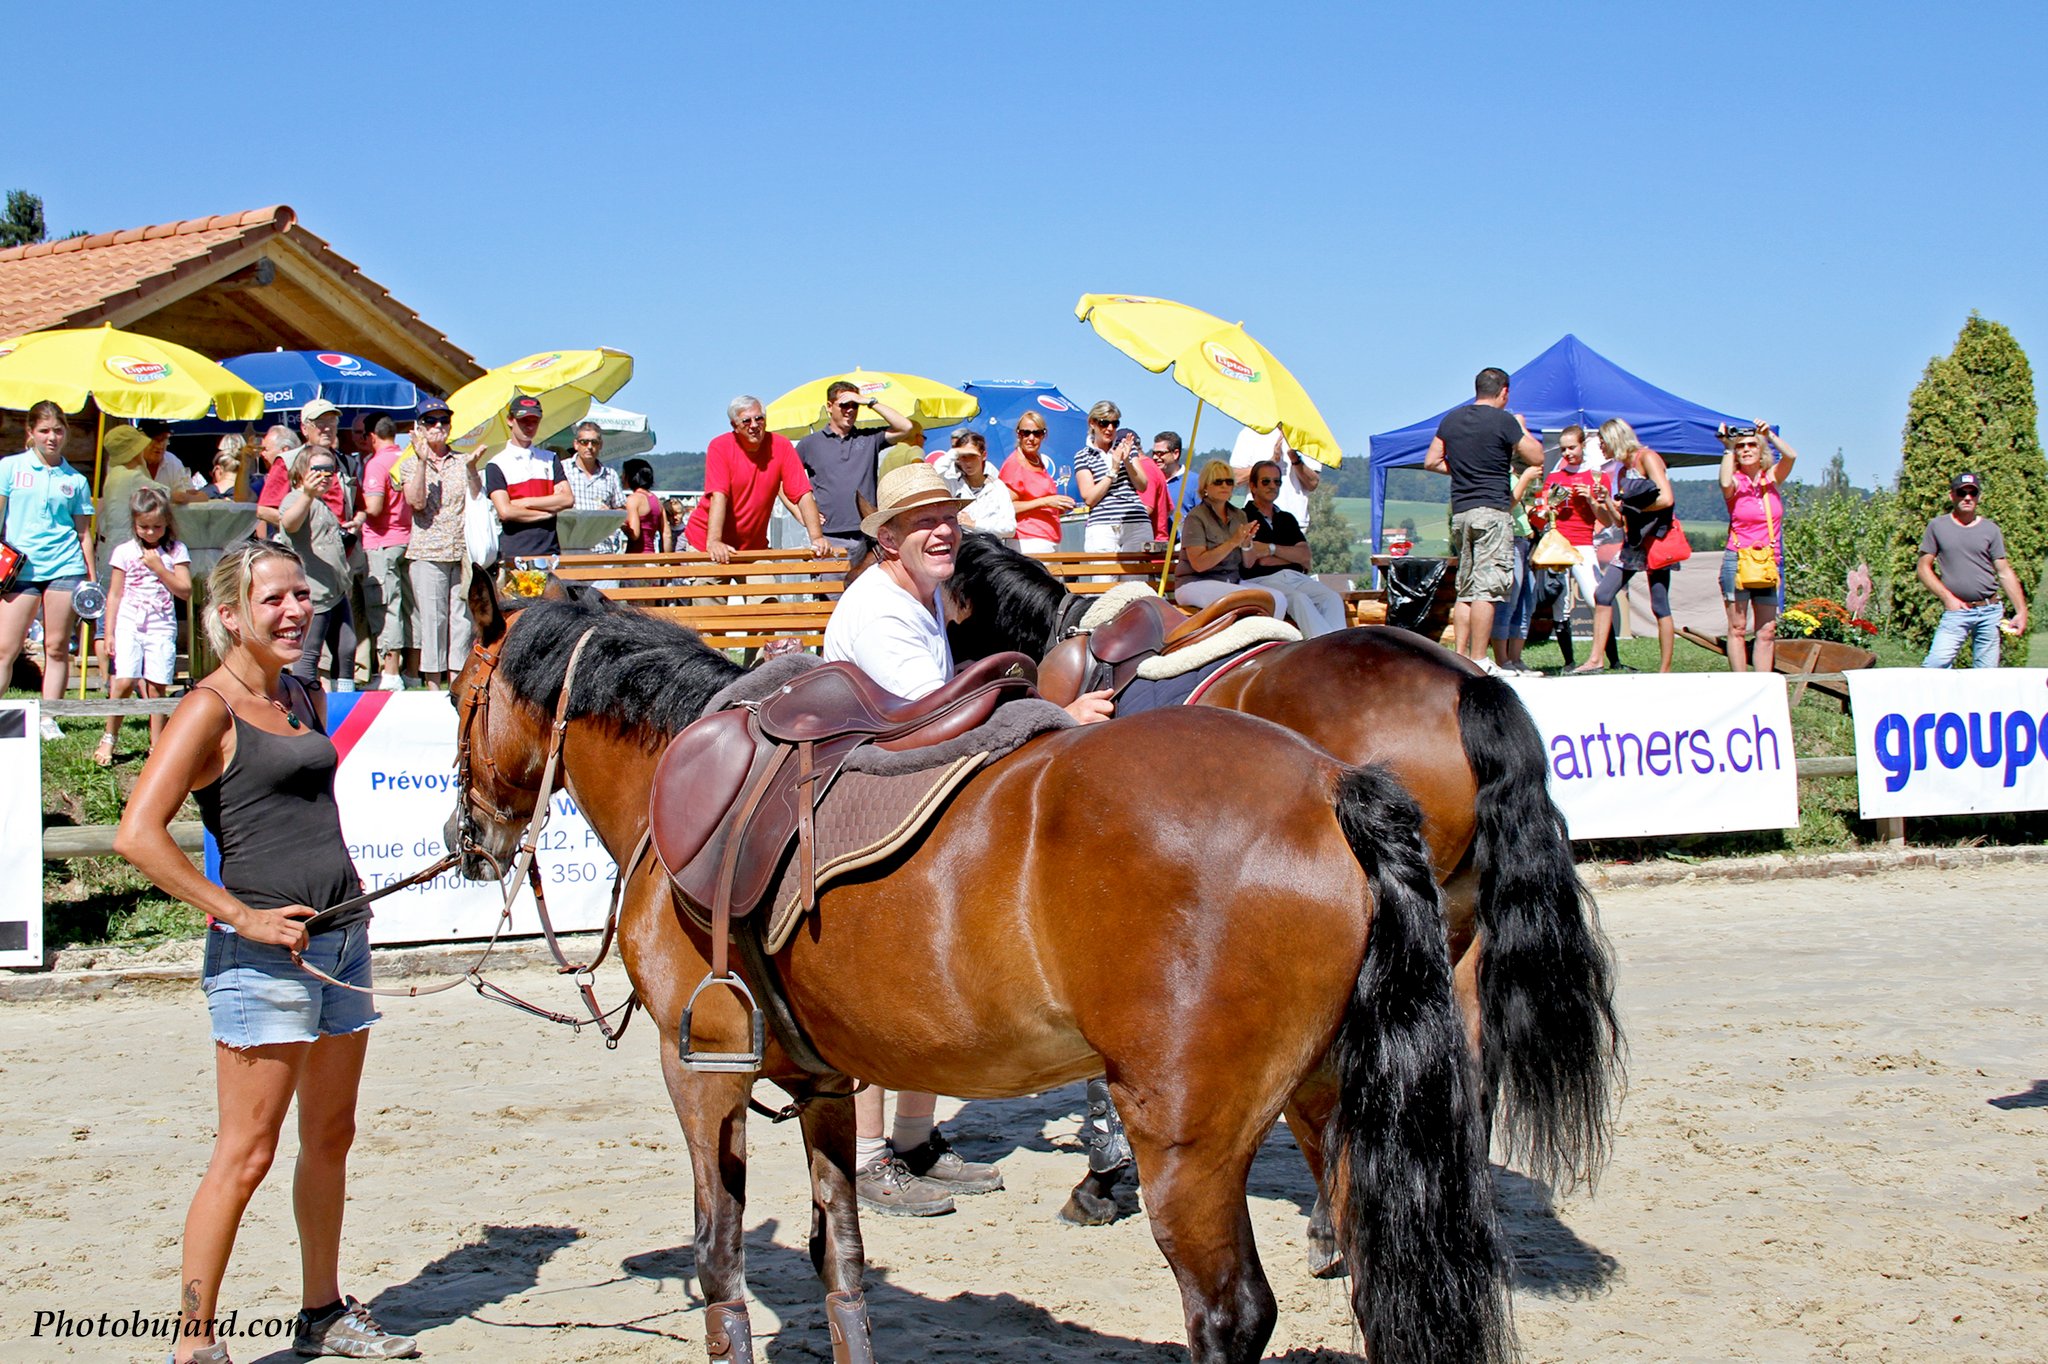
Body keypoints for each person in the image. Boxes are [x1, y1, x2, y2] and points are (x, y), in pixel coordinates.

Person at [113, 542, 419, 1364]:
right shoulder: (208, 708)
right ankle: (194, 1344)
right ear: (229, 615)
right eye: (274, 599)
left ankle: (322, 1312)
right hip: (263, 963)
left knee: (331, 1136)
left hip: (342, 943)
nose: (294, 611)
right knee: (245, 1154)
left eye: (301, 596)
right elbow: (138, 835)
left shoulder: (300, 693)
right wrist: (240, 918)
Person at [824, 464, 1112, 1217]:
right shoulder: (880, 611)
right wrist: (1055, 716)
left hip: (907, 782)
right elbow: (936, 718)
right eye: (923, 520)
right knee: (881, 975)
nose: (943, 529)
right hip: (871, 801)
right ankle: (865, 1157)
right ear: (887, 538)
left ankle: (915, 1140)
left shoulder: (920, 597)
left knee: (921, 976)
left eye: (948, 516)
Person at [1421, 367, 1544, 669]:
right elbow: (1537, 457)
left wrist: (1465, 469)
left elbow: (1431, 461)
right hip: (1492, 512)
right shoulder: (1504, 421)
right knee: (1486, 590)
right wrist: (1520, 428)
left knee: (1466, 588)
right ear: (1504, 391)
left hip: (1462, 512)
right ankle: (1479, 659)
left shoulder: (1451, 419)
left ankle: (1461, 656)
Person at [0, 400, 96, 740]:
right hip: (19, 570)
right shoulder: (10, 468)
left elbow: (84, 533)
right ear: (31, 432)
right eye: (44, 431)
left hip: (65, 566)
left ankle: (48, 717)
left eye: (57, 430)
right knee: (5, 647)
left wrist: (91, 579)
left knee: (56, 647)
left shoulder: (76, 480)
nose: (51, 437)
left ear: (66, 433)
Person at [94, 486, 191, 765]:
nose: (150, 532)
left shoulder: (176, 551)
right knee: (124, 680)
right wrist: (109, 632)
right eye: (143, 527)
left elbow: (185, 590)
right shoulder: (124, 551)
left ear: (167, 522)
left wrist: (160, 568)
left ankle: (157, 744)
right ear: (134, 523)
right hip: (130, 621)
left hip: (161, 624)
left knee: (157, 684)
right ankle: (109, 736)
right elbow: (114, 594)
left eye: (157, 527)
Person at [1575, 418, 1677, 674]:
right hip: (1633, 541)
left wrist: (1631, 507)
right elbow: (1619, 521)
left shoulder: (1648, 458)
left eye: (1602, 443)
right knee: (1603, 594)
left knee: (1660, 604)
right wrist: (1607, 502)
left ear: (1614, 439)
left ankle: (1665, 670)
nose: (1601, 448)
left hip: (1657, 538)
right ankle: (1596, 659)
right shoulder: (1622, 472)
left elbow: (1666, 498)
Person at [796, 380, 922, 570]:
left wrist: (869, 401)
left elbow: (905, 427)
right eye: (844, 405)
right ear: (829, 407)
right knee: (830, 589)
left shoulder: (869, 438)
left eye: (855, 405)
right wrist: (801, 514)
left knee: (869, 588)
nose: (850, 410)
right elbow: (784, 482)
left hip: (868, 535)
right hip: (828, 537)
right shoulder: (810, 444)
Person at [684, 395, 828, 560]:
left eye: (759, 418)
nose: (754, 425)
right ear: (734, 426)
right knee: (707, 577)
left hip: (754, 547)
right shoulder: (720, 446)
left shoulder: (781, 446)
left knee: (771, 578)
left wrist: (817, 538)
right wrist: (715, 541)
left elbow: (803, 493)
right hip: (706, 542)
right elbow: (719, 496)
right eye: (746, 421)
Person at [1918, 471, 2029, 668]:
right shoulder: (1937, 526)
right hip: (1957, 611)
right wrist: (1947, 598)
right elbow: (1923, 568)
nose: (1967, 497)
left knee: (1985, 676)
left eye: (1972, 493)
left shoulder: (1991, 529)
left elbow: (2004, 571)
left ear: (1978, 497)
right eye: (1962, 492)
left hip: (1990, 611)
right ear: (1952, 495)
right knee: (1935, 665)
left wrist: (2021, 611)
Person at [401, 400, 476, 689]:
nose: (438, 426)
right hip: (428, 551)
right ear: (419, 428)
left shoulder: (462, 461)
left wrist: (473, 470)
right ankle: (433, 685)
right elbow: (416, 502)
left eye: (443, 420)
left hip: (461, 551)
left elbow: (477, 498)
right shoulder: (409, 465)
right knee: (433, 622)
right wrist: (422, 461)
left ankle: (457, 685)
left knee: (462, 621)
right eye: (431, 421)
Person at [1718, 422, 1798, 674]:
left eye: (1752, 444)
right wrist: (1728, 447)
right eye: (1741, 446)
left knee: (1767, 630)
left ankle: (1763, 683)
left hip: (1767, 561)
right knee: (1738, 627)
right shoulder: (1736, 482)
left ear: (1761, 450)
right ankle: (1741, 683)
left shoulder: (1771, 478)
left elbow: (1791, 456)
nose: (1746, 449)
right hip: (1738, 559)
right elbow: (1724, 481)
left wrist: (1769, 435)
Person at [277, 447, 356, 691]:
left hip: (335, 591)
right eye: (317, 470)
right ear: (301, 472)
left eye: (329, 470)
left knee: (346, 647)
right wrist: (307, 495)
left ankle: (344, 701)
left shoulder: (321, 502)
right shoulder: (296, 498)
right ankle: (306, 702)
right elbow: (289, 523)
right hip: (313, 594)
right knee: (309, 653)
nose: (324, 476)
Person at [1241, 458, 1346, 637]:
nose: (1272, 486)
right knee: (1299, 599)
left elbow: (1305, 556)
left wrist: (1270, 549)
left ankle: (1336, 646)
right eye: (1266, 481)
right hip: (1261, 580)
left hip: (1295, 577)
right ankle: (1325, 648)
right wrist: (1290, 555)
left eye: (1277, 482)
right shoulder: (1243, 518)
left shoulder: (1286, 518)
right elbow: (1258, 562)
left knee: (1332, 598)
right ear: (1253, 486)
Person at [1173, 459, 1286, 618]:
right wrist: (1233, 542)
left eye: (1229, 482)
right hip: (1194, 583)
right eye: (1218, 482)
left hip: (1230, 582)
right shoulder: (1196, 517)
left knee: (1278, 598)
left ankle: (1271, 634)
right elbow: (1199, 564)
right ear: (1205, 487)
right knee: (1248, 599)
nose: (1224, 486)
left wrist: (1246, 544)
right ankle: (1254, 634)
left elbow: (1248, 564)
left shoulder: (1239, 515)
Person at [483, 394, 573, 563]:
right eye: (524, 420)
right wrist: (548, 511)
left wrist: (524, 502)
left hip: (550, 551)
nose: (529, 426)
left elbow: (567, 499)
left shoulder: (550, 458)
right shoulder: (496, 464)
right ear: (510, 420)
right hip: (515, 553)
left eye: (534, 421)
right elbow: (506, 511)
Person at [357, 417, 412, 691]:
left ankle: (390, 673)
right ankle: (411, 671)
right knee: (407, 608)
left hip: (381, 541)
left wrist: (355, 508)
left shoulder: (376, 464)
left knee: (385, 605)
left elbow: (375, 507)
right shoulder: (406, 457)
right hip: (407, 539)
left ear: (372, 436)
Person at [1073, 400, 1152, 556]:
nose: (1110, 428)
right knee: (1103, 572)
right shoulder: (1083, 456)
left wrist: (1127, 461)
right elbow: (1089, 498)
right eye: (1104, 423)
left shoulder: (1127, 448)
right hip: (1102, 525)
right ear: (1092, 423)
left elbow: (1142, 485)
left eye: (1115, 424)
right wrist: (1113, 470)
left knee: (1137, 573)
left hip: (1135, 521)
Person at [1488, 463, 1546, 673]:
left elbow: (1518, 505)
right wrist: (1526, 478)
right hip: (1509, 539)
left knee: (1526, 603)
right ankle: (1502, 660)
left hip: (1524, 540)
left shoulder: (1511, 472)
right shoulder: (1498, 472)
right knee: (1508, 603)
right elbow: (1507, 504)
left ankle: (1516, 659)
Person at [97, 424, 168, 583]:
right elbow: (164, 494)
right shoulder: (131, 476)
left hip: (109, 542)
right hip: (125, 541)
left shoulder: (114, 473)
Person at [998, 411, 1074, 555]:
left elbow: (1039, 501)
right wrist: (1046, 502)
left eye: (1037, 433)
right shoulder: (1014, 464)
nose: (1031, 438)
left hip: (1049, 538)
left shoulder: (1037, 460)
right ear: (1018, 434)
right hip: (1028, 540)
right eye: (1026, 433)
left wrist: (1057, 507)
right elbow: (1007, 507)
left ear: (1043, 435)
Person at [934, 430, 1017, 542]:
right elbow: (933, 476)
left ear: (984, 455)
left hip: (991, 548)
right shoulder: (953, 485)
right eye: (963, 457)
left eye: (972, 456)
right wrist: (954, 452)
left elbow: (1010, 528)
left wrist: (974, 524)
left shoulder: (997, 487)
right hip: (962, 548)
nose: (968, 462)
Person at [1229, 427, 1321, 529]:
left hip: (1295, 522)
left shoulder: (1309, 434)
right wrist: (1270, 462)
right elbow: (1236, 478)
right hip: (1256, 520)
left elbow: (1312, 483)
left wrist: (1295, 458)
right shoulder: (1250, 432)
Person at [564, 420, 628, 554]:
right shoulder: (562, 469)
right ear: (576, 444)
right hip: (569, 548)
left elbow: (622, 512)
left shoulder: (610, 475)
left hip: (602, 549)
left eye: (594, 442)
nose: (589, 446)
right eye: (584, 442)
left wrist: (611, 514)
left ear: (600, 445)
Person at [1140, 430, 1197, 545]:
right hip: (1151, 543)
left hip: (1182, 546)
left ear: (1175, 454)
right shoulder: (1145, 480)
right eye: (1153, 453)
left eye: (1160, 453)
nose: (1155, 457)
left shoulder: (1195, 482)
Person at [138, 419, 206, 505]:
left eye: (165, 439)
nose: (160, 446)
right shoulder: (130, 462)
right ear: (141, 440)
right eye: (155, 439)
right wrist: (173, 497)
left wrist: (186, 497)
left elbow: (192, 495)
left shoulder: (173, 462)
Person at [621, 457, 665, 553]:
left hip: (636, 556)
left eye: (624, 473)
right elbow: (667, 534)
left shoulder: (633, 499)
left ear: (631, 476)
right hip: (651, 555)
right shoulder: (657, 501)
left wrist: (621, 524)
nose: (621, 477)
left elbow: (634, 534)